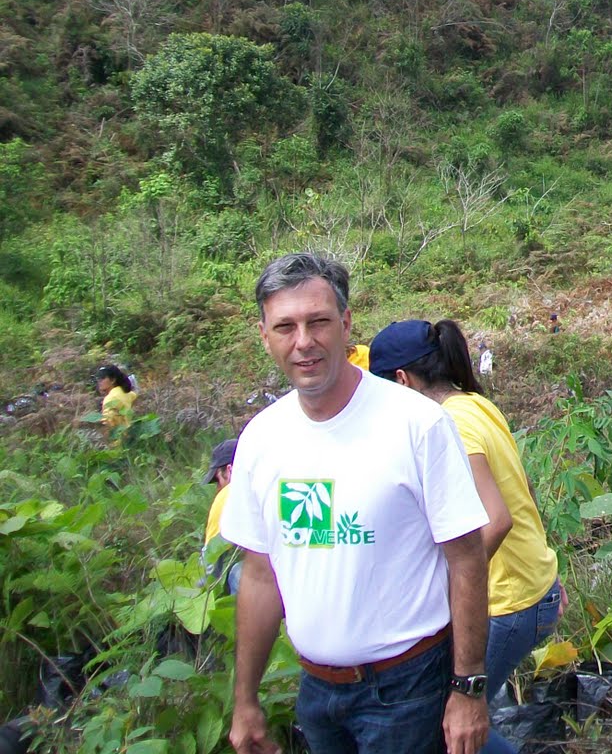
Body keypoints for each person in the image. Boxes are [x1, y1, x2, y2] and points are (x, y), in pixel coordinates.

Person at [222, 253, 491, 754]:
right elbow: (260, 576)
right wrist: (245, 699)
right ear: (264, 335)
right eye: (285, 327)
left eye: (318, 322)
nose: (304, 341)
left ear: (345, 324)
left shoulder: (417, 424)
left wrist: (468, 687)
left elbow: (467, 557)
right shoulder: (260, 440)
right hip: (317, 692)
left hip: (408, 688)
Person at [369, 320, 565, 754]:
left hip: (507, 602)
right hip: (530, 589)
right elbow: (523, 492)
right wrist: (546, 572)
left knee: (452, 726)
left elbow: (497, 520)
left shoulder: (448, 423)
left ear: (401, 380)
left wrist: (444, 590)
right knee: (458, 724)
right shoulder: (475, 403)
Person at [202, 438, 241, 595]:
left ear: (229, 470)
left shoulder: (227, 495)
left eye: (218, 480)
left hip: (268, 582)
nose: (218, 488)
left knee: (238, 573)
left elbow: (210, 561)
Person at [94, 364, 137, 431]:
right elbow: (134, 395)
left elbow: (107, 424)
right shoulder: (125, 392)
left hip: (119, 435)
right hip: (129, 431)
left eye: (102, 377)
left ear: (113, 380)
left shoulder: (110, 399)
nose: (99, 381)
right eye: (98, 378)